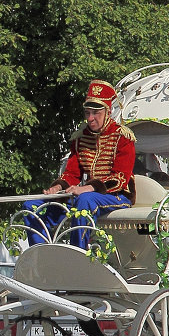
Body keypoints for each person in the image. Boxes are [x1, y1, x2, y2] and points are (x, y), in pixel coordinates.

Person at [23, 80, 135, 250]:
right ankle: (43, 253)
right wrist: (58, 187)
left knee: (84, 200)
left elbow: (120, 179)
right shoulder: (80, 138)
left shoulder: (123, 137)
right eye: (87, 113)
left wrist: (87, 188)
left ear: (108, 111)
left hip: (118, 196)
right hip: (87, 197)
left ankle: (78, 253)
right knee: (31, 206)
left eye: (96, 113)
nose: (90, 118)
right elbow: (71, 174)